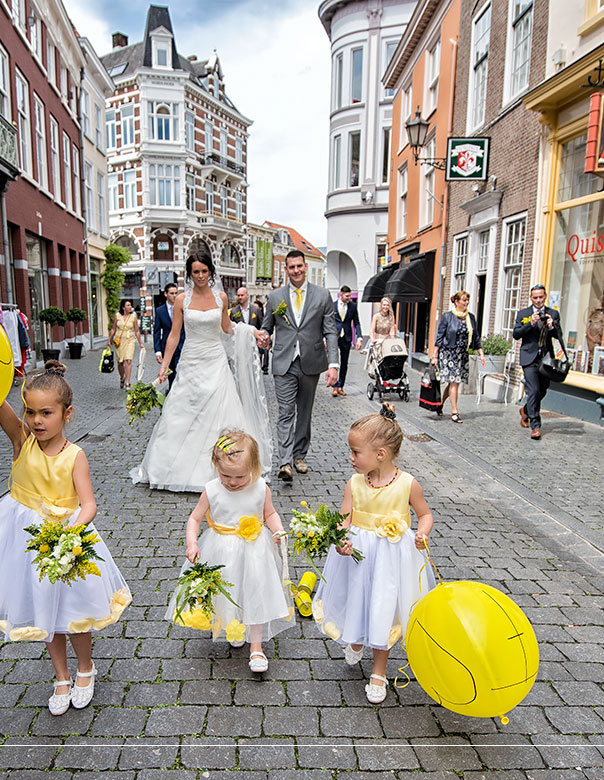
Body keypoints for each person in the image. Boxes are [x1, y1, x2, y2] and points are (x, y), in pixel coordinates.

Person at [0, 361, 132, 716]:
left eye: (46, 413)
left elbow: (89, 505)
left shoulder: (75, 456)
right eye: (30, 411)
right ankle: (60, 676)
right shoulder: (21, 442)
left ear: (66, 414)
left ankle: (85, 668)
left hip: (64, 543)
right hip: (27, 541)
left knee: (73, 612)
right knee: (46, 610)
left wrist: (70, 534)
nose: (36, 420)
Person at [312, 403, 434, 704]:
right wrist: (340, 539)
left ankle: (379, 669)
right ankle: (355, 639)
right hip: (359, 555)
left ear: (380, 454)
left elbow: (425, 514)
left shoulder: (408, 484)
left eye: (356, 452)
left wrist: (422, 532)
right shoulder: (354, 483)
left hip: (392, 559)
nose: (350, 458)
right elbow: (344, 517)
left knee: (383, 606)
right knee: (357, 597)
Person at [133, 252, 273, 492]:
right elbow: (174, 335)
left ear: (211, 272)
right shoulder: (181, 300)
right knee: (182, 412)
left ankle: (226, 467)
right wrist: (165, 366)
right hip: (190, 361)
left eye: (204, 271)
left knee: (221, 413)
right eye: (195, 272)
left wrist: (252, 332)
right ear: (189, 274)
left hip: (215, 360)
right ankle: (171, 469)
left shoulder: (221, 298)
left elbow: (227, 328)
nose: (200, 276)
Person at [168, 430, 291, 672]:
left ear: (254, 468)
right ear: (216, 466)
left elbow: (270, 514)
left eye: (240, 477)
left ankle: (256, 647)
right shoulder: (212, 490)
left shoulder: (260, 488)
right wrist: (192, 542)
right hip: (221, 550)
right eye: (226, 475)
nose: (233, 482)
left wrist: (278, 531)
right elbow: (194, 519)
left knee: (255, 592)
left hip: (255, 550)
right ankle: (235, 626)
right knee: (228, 592)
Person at [257, 250, 339, 482]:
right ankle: (284, 462)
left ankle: (299, 455)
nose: (296, 271)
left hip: (311, 362)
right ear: (286, 269)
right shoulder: (275, 297)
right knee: (285, 412)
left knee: (304, 413)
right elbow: (267, 326)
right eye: (291, 267)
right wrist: (263, 336)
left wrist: (333, 364)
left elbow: (330, 331)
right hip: (284, 362)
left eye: (299, 266)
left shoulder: (322, 296)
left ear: (305, 266)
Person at [512, 284, 562, 441]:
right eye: (535, 298)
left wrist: (552, 326)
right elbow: (516, 334)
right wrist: (530, 323)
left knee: (543, 389)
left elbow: (558, 335)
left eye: (541, 297)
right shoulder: (523, 314)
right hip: (529, 358)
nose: (539, 300)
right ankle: (535, 426)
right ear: (531, 298)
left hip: (546, 359)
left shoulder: (553, 313)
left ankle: (525, 410)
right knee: (533, 390)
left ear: (545, 296)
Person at [429, 290, 485, 423]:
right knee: (454, 382)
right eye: (464, 300)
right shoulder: (447, 317)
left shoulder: (470, 317)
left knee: (453, 382)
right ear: (457, 301)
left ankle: (440, 403)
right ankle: (455, 412)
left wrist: (481, 353)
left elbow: (475, 336)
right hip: (449, 353)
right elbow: (440, 336)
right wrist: (434, 355)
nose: (466, 303)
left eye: (467, 300)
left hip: (462, 354)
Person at [331, 286, 363, 397]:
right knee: (334, 362)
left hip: (347, 337)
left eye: (350, 295)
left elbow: (357, 323)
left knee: (344, 363)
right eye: (347, 296)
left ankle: (340, 386)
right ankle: (334, 386)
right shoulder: (333, 306)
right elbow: (328, 322)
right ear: (341, 294)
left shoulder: (353, 306)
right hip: (335, 337)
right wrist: (325, 338)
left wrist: (359, 337)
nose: (349, 298)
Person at [153, 283, 185, 393]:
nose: (175, 296)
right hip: (167, 348)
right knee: (170, 376)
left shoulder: (183, 309)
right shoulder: (160, 311)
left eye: (176, 293)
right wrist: (157, 350)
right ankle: (172, 396)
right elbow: (156, 332)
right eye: (172, 293)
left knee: (179, 374)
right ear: (166, 294)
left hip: (182, 346)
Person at [108, 300, 141, 390]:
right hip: (119, 341)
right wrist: (109, 340)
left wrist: (141, 343)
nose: (130, 307)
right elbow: (113, 329)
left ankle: (127, 382)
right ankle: (122, 377)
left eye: (130, 305)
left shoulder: (133, 317)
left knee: (128, 361)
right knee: (120, 363)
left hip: (130, 340)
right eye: (128, 305)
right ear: (123, 307)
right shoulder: (117, 316)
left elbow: (137, 331)